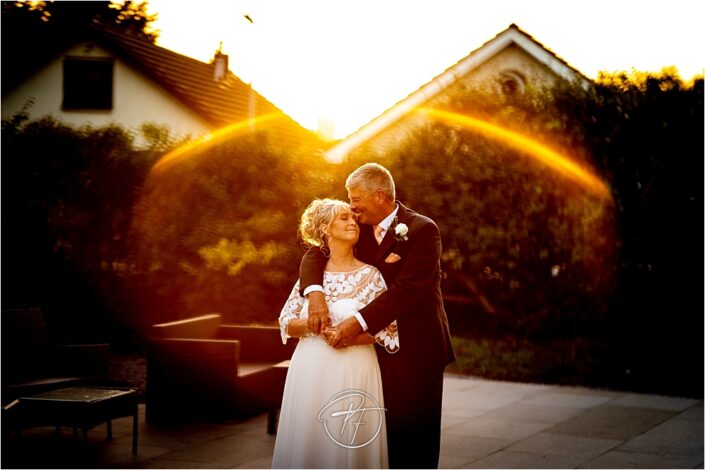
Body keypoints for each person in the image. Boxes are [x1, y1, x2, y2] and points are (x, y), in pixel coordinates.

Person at [300, 163, 455, 469]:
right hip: (376, 349)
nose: (352, 206)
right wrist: (315, 293)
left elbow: (406, 291)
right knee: (383, 435)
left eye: (355, 198)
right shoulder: (359, 230)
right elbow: (316, 252)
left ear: (380, 196)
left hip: (418, 348)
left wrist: (354, 322)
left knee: (418, 438)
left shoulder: (423, 230)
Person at [272, 198, 399, 469]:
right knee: (310, 443)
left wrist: (350, 336)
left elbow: (389, 332)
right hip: (310, 369)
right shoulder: (311, 278)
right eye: (343, 217)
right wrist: (313, 325)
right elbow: (285, 321)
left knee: (348, 440)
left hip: (355, 370)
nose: (352, 221)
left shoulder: (372, 275)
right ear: (325, 229)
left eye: (352, 218)